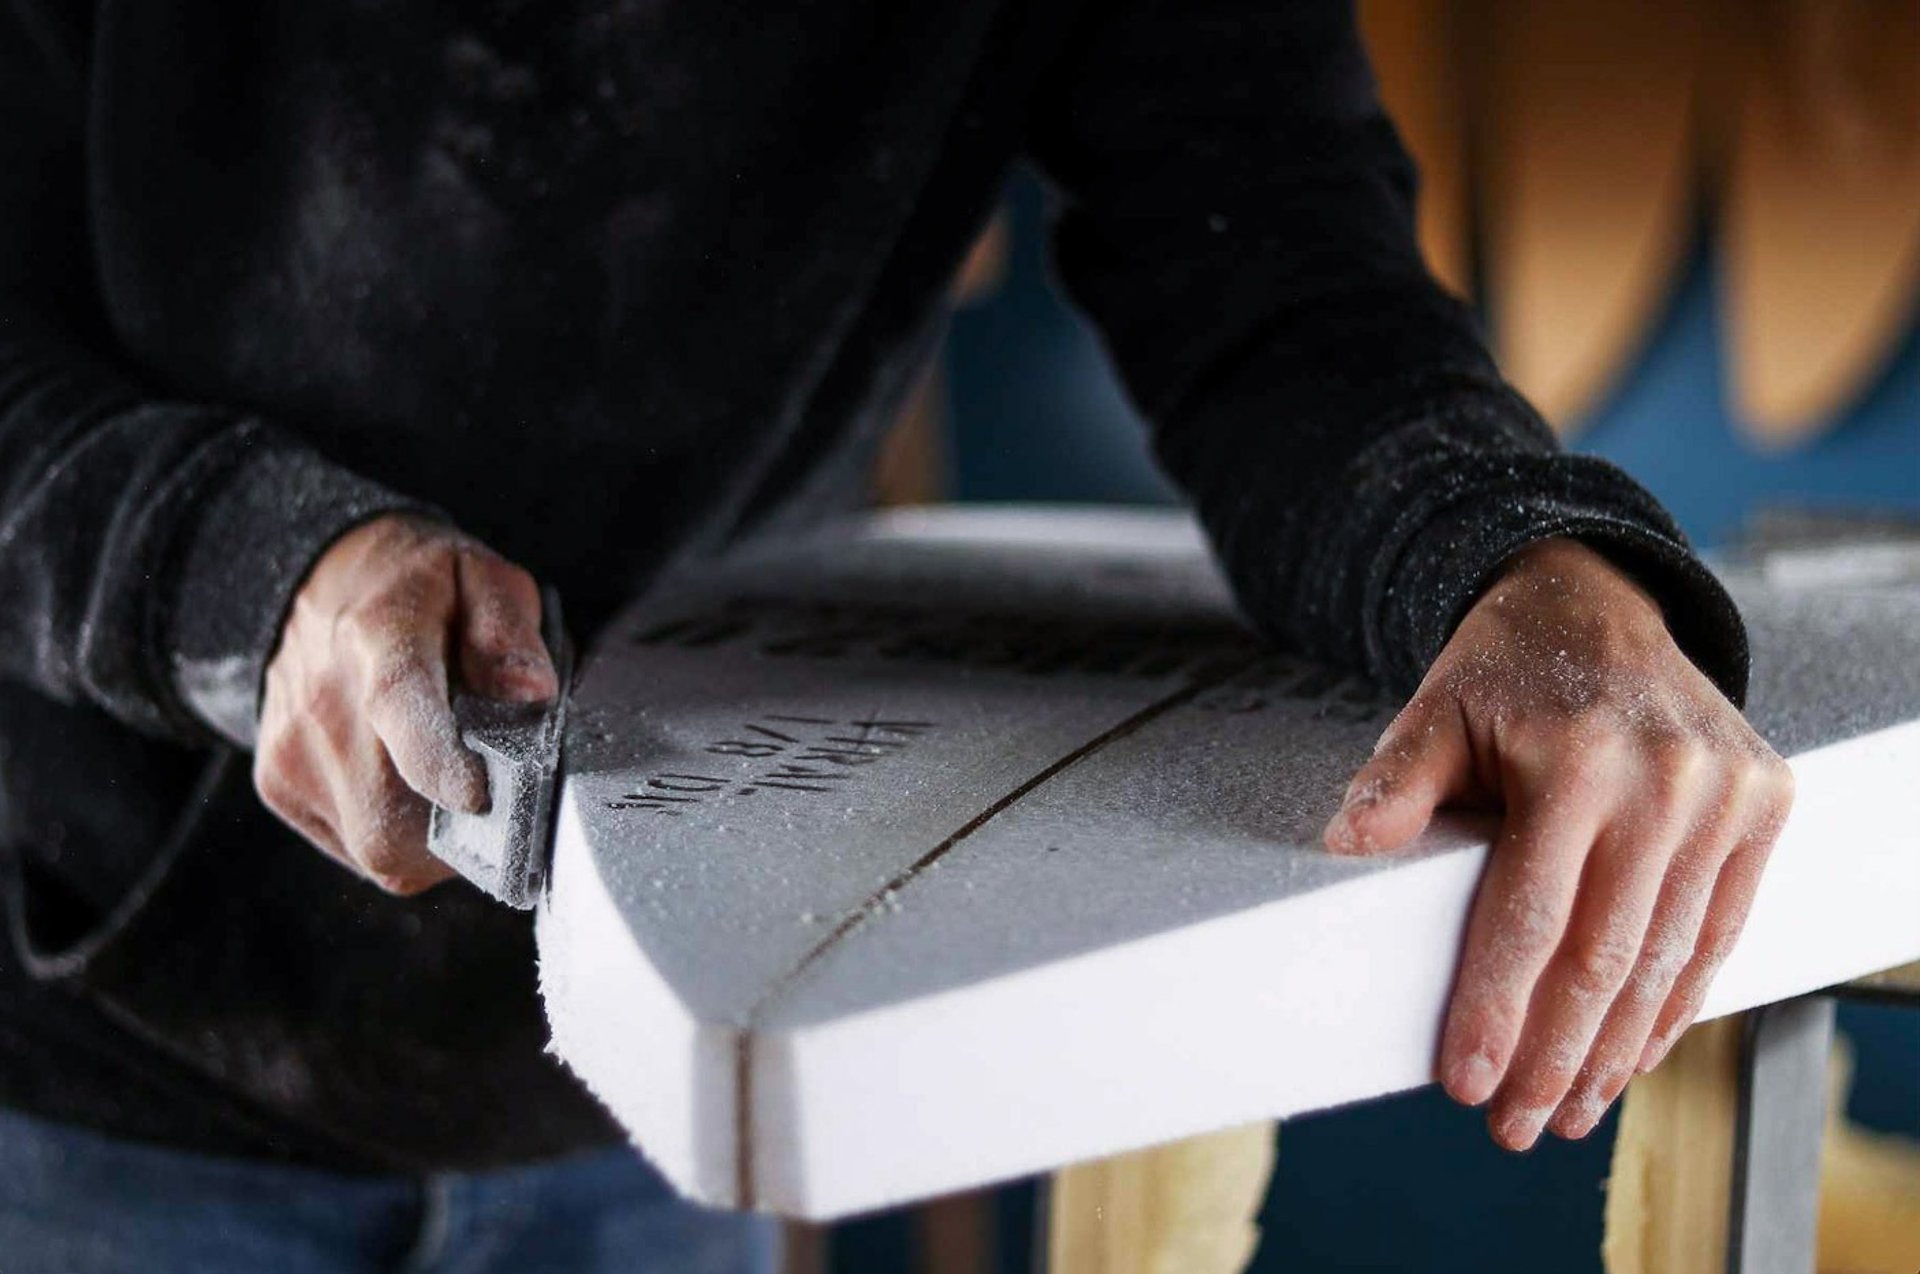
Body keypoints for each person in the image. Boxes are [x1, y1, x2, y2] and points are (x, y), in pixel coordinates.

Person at [0, 1, 1792, 1270]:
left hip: (641, 1059)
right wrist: (253, 574)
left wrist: (1515, 558)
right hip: (89, 1071)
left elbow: (1282, 278)